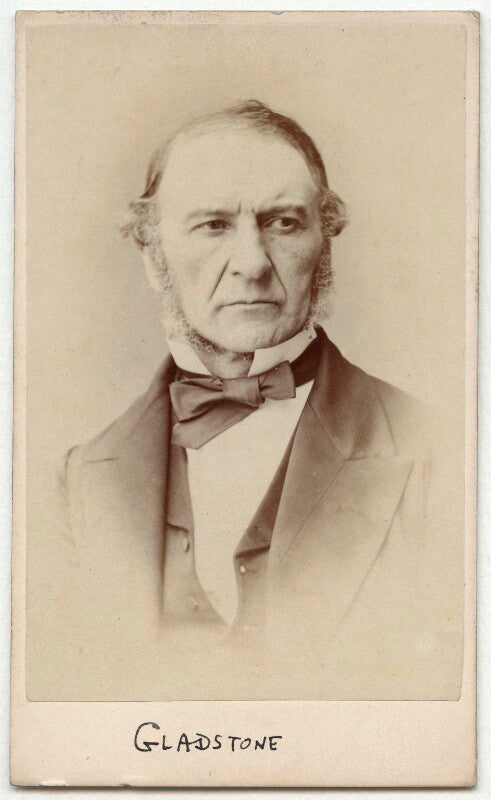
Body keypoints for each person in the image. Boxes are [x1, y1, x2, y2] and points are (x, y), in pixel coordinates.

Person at [27, 100, 462, 701]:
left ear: (324, 242)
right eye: (213, 225)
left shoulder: (444, 457)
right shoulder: (74, 483)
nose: (253, 263)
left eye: (283, 222)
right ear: (152, 256)